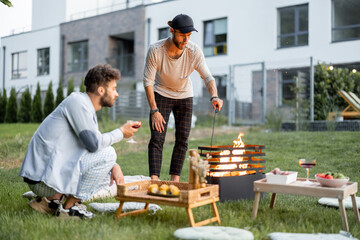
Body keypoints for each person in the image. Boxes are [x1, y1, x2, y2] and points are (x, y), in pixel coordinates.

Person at [19, 64, 140, 219]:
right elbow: (94, 144)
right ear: (101, 90)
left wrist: (113, 166)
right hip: (41, 179)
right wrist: (121, 133)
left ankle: (50, 203)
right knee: (109, 153)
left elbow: (89, 147)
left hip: (44, 174)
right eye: (114, 88)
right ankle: (70, 208)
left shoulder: (84, 106)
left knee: (102, 167)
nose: (116, 94)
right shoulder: (78, 102)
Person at [143, 14, 223, 182]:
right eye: (182, 35)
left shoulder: (194, 52)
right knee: (157, 138)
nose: (185, 39)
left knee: (182, 139)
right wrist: (154, 110)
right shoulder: (156, 50)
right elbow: (148, 82)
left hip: (185, 95)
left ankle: (175, 181)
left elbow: (208, 77)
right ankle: (155, 180)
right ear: (172, 31)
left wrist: (214, 96)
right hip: (161, 93)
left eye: (189, 35)